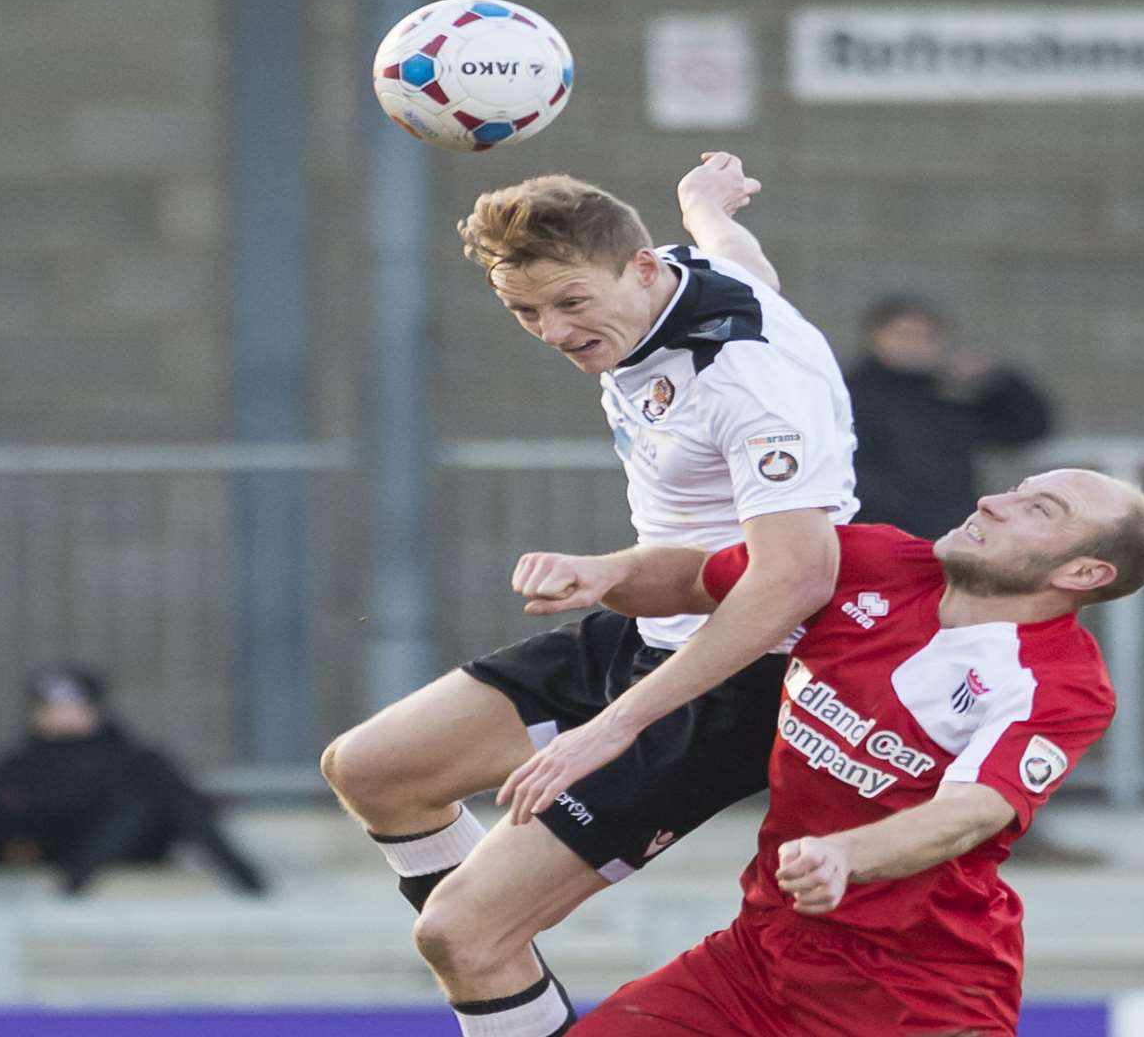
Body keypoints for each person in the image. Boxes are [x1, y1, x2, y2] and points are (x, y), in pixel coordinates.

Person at [319, 152, 857, 1037]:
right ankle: (501, 960)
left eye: (571, 302)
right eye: (523, 310)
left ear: (642, 268)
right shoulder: (686, 275)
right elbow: (741, 255)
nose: (553, 329)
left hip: (745, 668)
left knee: (461, 933)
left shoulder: (753, 382)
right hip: (653, 619)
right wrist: (701, 200)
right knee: (375, 767)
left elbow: (798, 581)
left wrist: (615, 727)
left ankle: (490, 950)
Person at [499, 469, 1144, 1036]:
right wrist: (605, 572)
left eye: (1039, 510)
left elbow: (971, 813)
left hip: (917, 989)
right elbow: (699, 577)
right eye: (1017, 490)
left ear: (1083, 572)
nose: (995, 502)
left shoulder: (1061, 683)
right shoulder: (870, 559)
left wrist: (848, 853)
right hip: (760, 953)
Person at [0, 663, 266, 896]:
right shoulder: (19, 763)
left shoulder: (134, 758)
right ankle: (72, 883)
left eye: (73, 708)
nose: (63, 717)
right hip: (58, 844)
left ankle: (247, 880)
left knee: (149, 794)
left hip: (131, 844)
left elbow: (183, 806)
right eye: (53, 709)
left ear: (94, 711)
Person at [846, 295, 1053, 540]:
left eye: (925, 337)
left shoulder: (946, 397)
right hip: (880, 534)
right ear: (875, 336)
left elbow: (1026, 429)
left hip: (947, 533)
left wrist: (1001, 382)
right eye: (903, 334)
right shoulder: (849, 396)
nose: (913, 345)